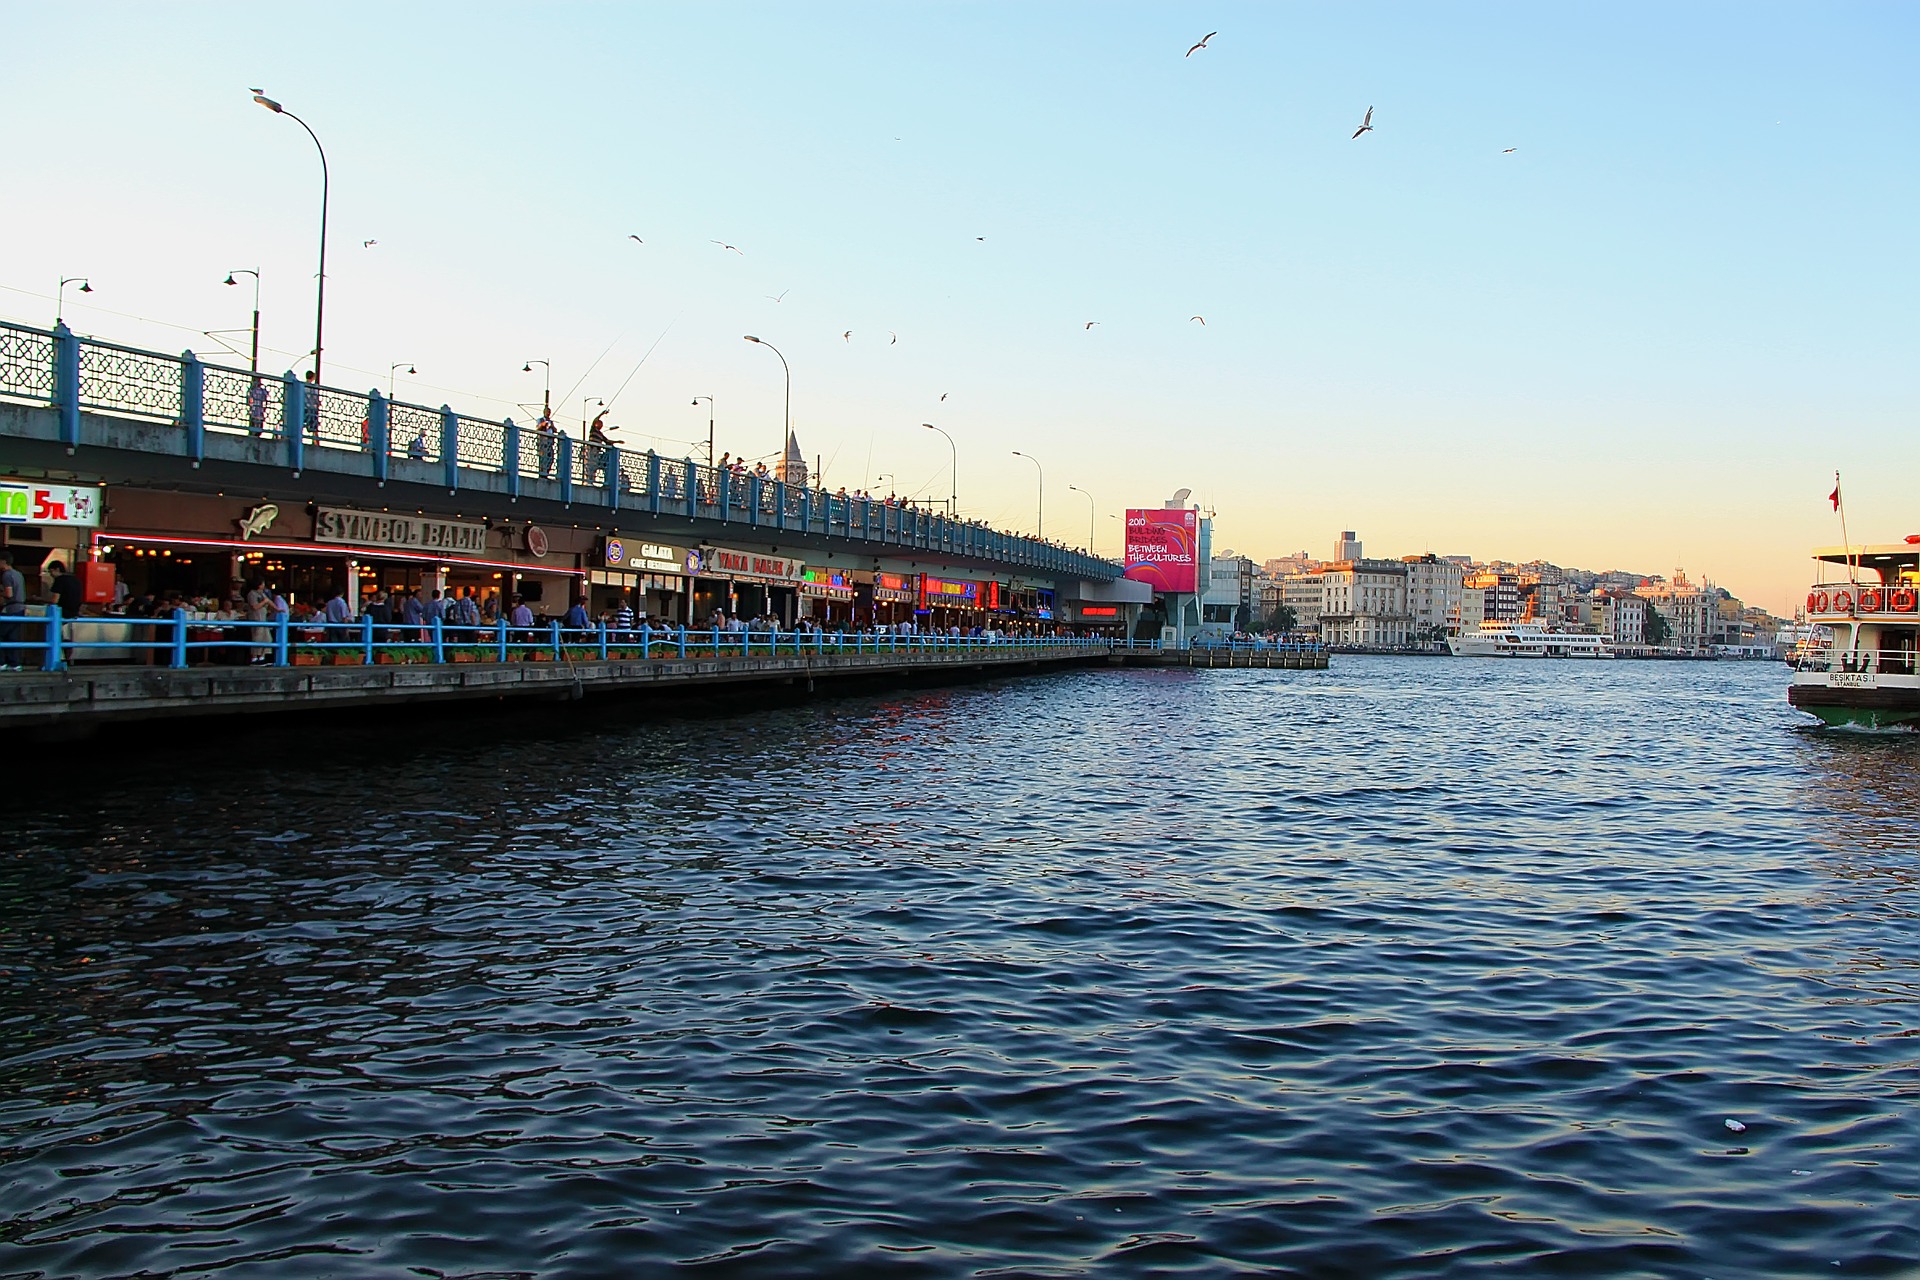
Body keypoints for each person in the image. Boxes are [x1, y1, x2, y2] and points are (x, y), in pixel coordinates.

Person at [0, 554, 25, 669]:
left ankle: (1, 663)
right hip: (20, 608)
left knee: (2, 634)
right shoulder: (18, 574)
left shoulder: (6, 575)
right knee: (13, 637)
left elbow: (9, 594)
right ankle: (15, 663)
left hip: (11, 608)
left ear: (3, 562)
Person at [244, 577, 272, 663]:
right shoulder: (252, 594)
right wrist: (264, 602)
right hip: (256, 619)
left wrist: (278, 609)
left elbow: (269, 602)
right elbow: (255, 606)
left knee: (267, 638)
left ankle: (262, 657)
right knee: (257, 638)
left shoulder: (262, 594)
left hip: (264, 619)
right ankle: (254, 657)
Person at [586, 415, 617, 485]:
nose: (601, 426)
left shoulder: (600, 434)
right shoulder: (593, 429)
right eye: (599, 424)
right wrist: (603, 413)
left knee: (594, 465)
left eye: (602, 425)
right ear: (596, 424)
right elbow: (595, 418)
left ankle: (591, 480)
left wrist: (617, 441)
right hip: (591, 449)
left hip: (596, 451)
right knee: (590, 464)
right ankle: (589, 481)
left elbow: (607, 441)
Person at [535, 412, 557, 480]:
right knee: (543, 458)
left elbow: (555, 430)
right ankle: (542, 474)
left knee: (551, 458)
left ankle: (547, 472)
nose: (548, 414)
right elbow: (537, 428)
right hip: (543, 442)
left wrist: (552, 427)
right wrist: (543, 425)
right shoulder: (540, 420)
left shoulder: (551, 422)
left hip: (550, 442)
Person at [303, 370, 320, 443]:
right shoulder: (314, 387)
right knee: (314, 426)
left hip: (304, 407)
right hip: (312, 408)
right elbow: (316, 397)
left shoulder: (303, 386)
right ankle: (315, 441)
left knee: (302, 423)